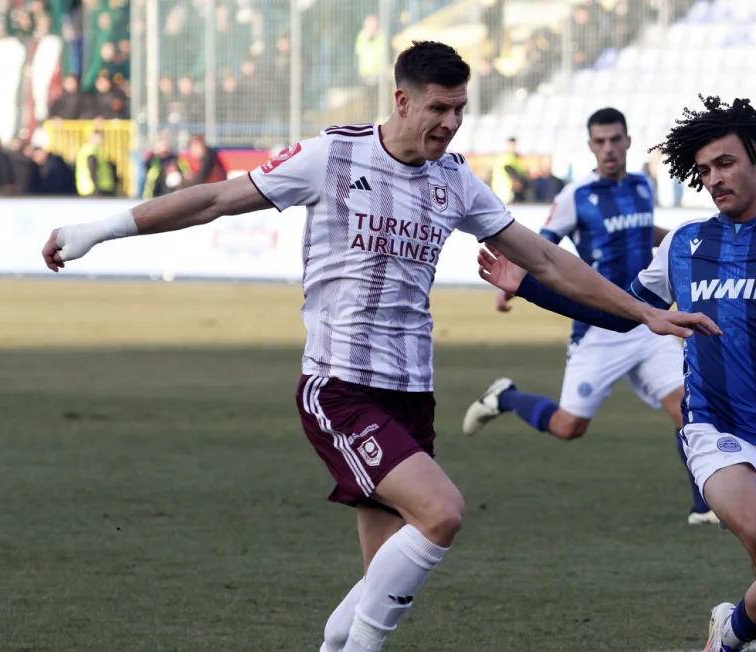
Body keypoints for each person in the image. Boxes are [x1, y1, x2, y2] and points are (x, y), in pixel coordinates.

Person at [39, 41, 718, 652]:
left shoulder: (454, 180)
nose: (450, 123)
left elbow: (541, 259)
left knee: (381, 579)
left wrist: (641, 312)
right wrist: (100, 228)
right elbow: (214, 199)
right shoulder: (331, 155)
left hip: (410, 391)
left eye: (459, 110)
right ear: (401, 99)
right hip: (339, 385)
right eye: (438, 108)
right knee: (443, 512)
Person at [473, 95, 756, 652]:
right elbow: (620, 315)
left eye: (726, 163)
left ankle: (726, 636)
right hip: (717, 428)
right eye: (706, 170)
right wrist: (528, 288)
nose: (715, 179)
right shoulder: (684, 246)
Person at [462, 107, 717, 525]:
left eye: (616, 139)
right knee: (568, 427)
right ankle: (504, 397)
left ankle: (703, 507)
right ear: (590, 147)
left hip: (646, 320)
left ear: (629, 141)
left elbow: (640, 232)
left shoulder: (641, 186)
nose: (609, 149)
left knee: (686, 408)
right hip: (598, 326)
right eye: (600, 142)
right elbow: (541, 247)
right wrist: (511, 289)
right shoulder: (575, 197)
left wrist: (679, 241)